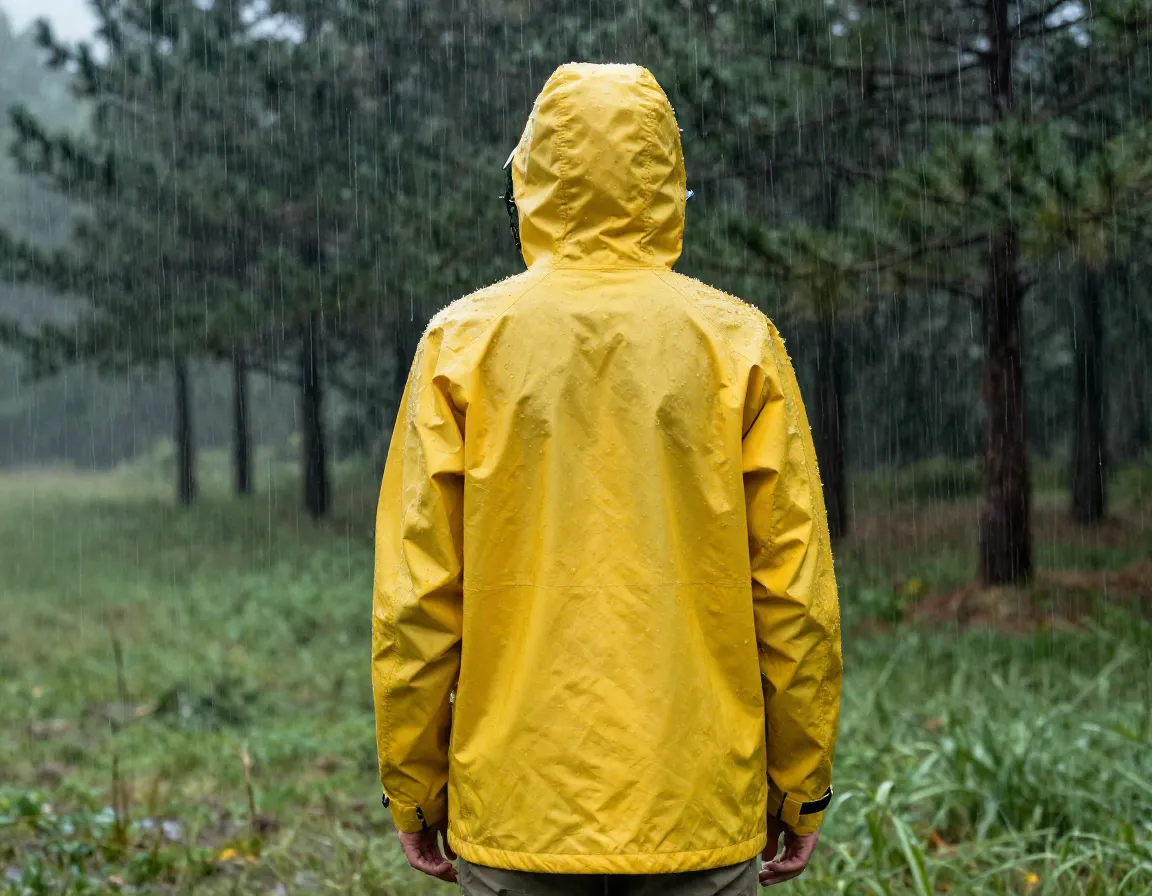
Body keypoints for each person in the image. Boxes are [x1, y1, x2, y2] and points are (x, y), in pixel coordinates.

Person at [372, 62, 842, 895]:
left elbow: (418, 598)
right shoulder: (737, 341)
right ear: (666, 179)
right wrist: (800, 788)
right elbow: (792, 593)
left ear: (530, 176)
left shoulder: (461, 343)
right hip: (695, 806)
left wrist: (415, 789)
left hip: (519, 808)